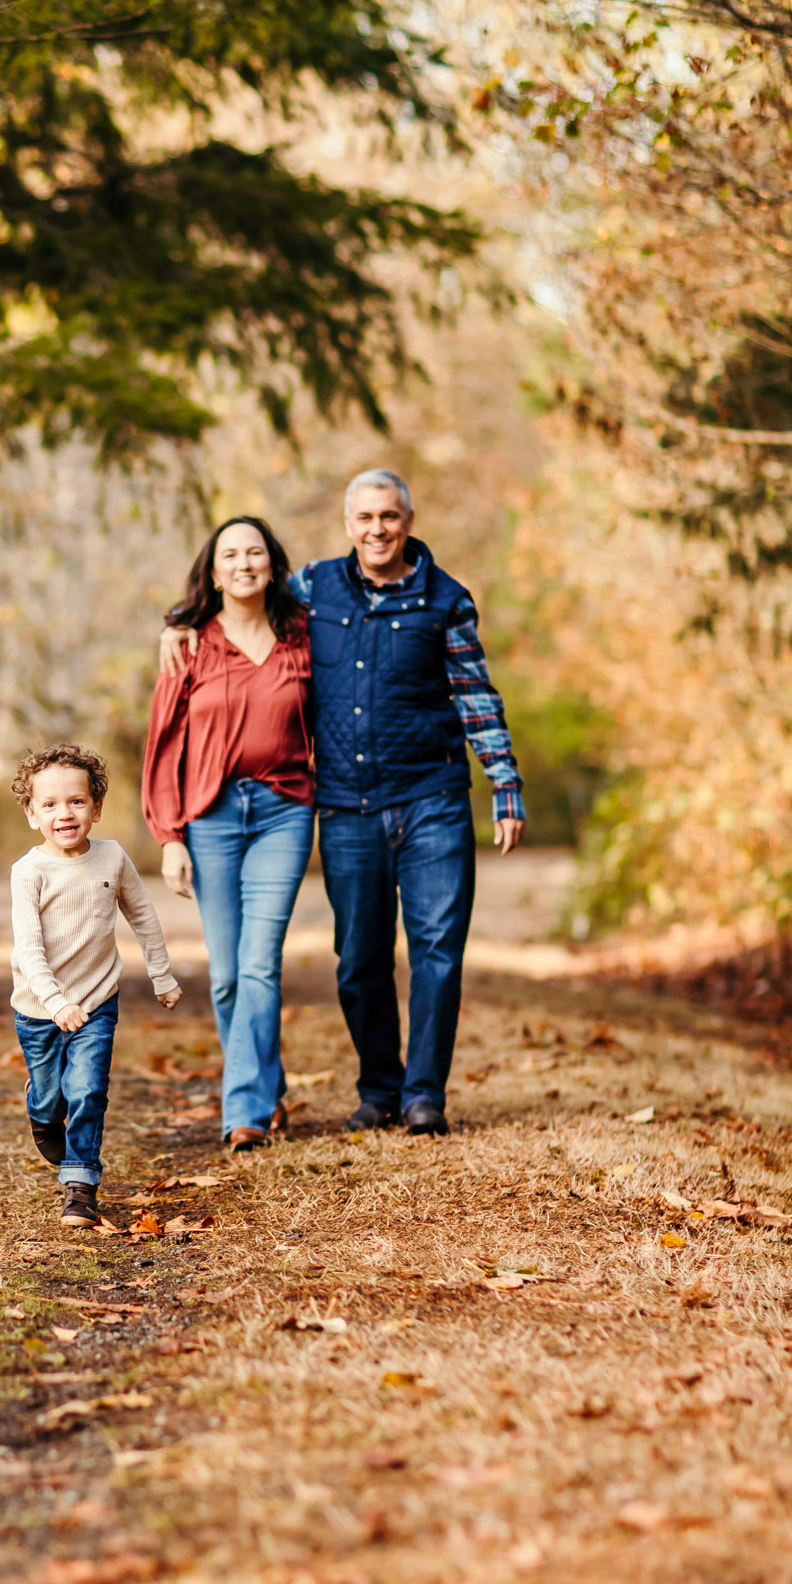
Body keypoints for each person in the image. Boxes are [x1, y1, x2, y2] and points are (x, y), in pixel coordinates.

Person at [159, 471, 524, 1136]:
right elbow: (242, 605)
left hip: (432, 798)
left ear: (408, 520)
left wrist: (505, 784)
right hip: (348, 805)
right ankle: (378, 1087)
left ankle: (423, 1096)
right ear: (348, 523)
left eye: (389, 516)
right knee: (358, 957)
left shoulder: (446, 600)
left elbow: (475, 694)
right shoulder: (313, 591)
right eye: (365, 517)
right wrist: (180, 627)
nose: (377, 529)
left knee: (437, 950)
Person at [141, 516, 314, 1150]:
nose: (244, 563)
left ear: (273, 564)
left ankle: (244, 1110)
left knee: (259, 965)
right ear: (213, 572)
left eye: (256, 552)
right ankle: (267, 1087)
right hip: (210, 816)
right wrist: (170, 836)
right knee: (226, 975)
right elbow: (162, 747)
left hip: (284, 810)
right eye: (231, 555)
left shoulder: (304, 636)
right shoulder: (189, 647)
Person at [10, 743, 181, 1226]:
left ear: (96, 808)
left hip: (98, 1001)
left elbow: (143, 915)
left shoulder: (112, 858)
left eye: (76, 801)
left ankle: (80, 1185)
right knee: (52, 1097)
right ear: (31, 814)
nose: (64, 813)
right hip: (38, 1008)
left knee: (87, 1089)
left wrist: (161, 974)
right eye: (50, 804)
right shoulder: (29, 873)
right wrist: (56, 1001)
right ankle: (40, 1110)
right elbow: (29, 948)